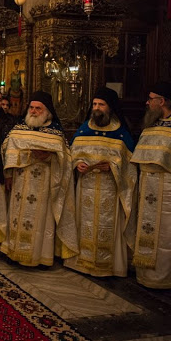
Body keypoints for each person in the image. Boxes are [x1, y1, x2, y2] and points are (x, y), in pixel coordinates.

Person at [0, 91, 78, 267]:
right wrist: (8, 175)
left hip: (44, 184)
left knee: (41, 221)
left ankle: (40, 257)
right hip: (20, 182)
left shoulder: (56, 133)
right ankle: (14, 251)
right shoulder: (19, 129)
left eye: (38, 108)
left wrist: (48, 157)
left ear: (47, 111)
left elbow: (65, 160)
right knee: (17, 217)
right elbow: (7, 151)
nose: (33, 111)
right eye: (31, 108)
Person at [64, 87, 136, 277]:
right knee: (84, 222)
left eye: (101, 104)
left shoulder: (120, 133)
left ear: (110, 108)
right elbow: (72, 155)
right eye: (95, 104)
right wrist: (78, 164)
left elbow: (130, 167)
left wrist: (113, 168)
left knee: (107, 225)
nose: (97, 108)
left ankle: (108, 266)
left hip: (110, 189)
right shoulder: (84, 129)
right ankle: (81, 262)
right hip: (85, 187)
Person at [131, 81, 171, 288]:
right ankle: (145, 276)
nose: (147, 103)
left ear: (161, 101)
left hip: (167, 190)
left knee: (165, 234)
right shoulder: (150, 126)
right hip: (147, 188)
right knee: (146, 230)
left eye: (151, 99)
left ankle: (164, 279)